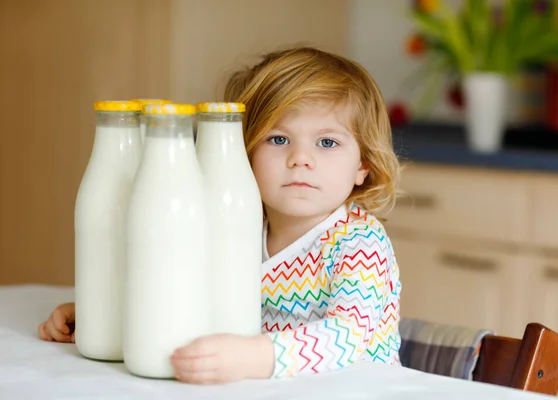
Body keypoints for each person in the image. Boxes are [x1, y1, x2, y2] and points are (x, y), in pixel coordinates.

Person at [39, 46, 403, 384]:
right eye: (278, 139)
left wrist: (257, 356)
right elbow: (187, 295)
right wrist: (104, 315)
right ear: (243, 152)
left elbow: (348, 334)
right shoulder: (238, 226)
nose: (300, 158)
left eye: (327, 142)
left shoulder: (359, 242)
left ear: (363, 166)